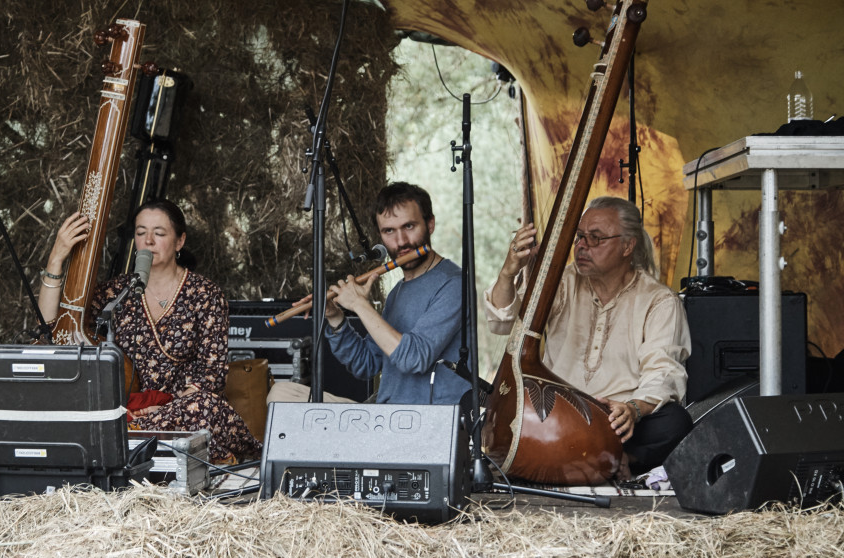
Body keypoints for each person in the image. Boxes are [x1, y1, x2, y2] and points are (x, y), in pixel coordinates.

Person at [484, 195, 692, 475]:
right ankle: (606, 461)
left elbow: (663, 372)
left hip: (616, 422)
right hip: (557, 416)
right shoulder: (560, 282)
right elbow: (503, 323)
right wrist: (508, 273)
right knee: (488, 405)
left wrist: (632, 409)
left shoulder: (659, 301)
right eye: (579, 236)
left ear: (627, 246)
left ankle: (619, 459)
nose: (582, 246)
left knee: (675, 422)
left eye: (595, 238)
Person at [40, 200, 260, 462]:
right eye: (141, 232)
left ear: (179, 241)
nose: (148, 241)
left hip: (185, 411)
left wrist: (163, 411)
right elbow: (54, 330)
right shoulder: (117, 293)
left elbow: (212, 378)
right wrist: (56, 258)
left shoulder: (205, 294)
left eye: (159, 233)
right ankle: (138, 437)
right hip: (127, 410)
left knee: (204, 407)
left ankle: (130, 437)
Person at [269, 181, 471, 406]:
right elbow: (366, 364)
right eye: (389, 231)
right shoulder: (398, 292)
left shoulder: (454, 284)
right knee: (281, 394)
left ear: (430, 224)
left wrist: (359, 304)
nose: (401, 241)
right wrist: (335, 318)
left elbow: (414, 358)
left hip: (426, 419)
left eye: (409, 226)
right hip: (384, 414)